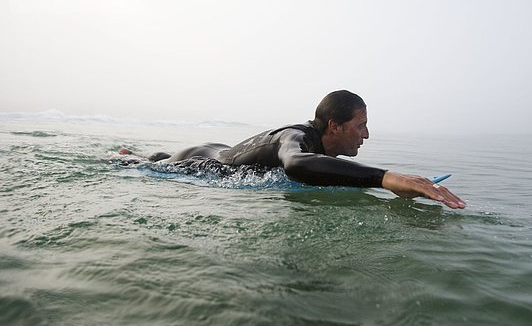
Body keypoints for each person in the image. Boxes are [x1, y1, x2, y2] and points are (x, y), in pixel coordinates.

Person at [120, 90, 465, 209]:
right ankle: (129, 157)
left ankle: (137, 154)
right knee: (141, 165)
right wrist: (387, 178)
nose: (367, 134)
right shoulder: (295, 139)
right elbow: (297, 166)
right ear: (334, 126)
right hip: (198, 163)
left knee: (152, 158)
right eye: (360, 125)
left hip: (222, 149)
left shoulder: (318, 144)